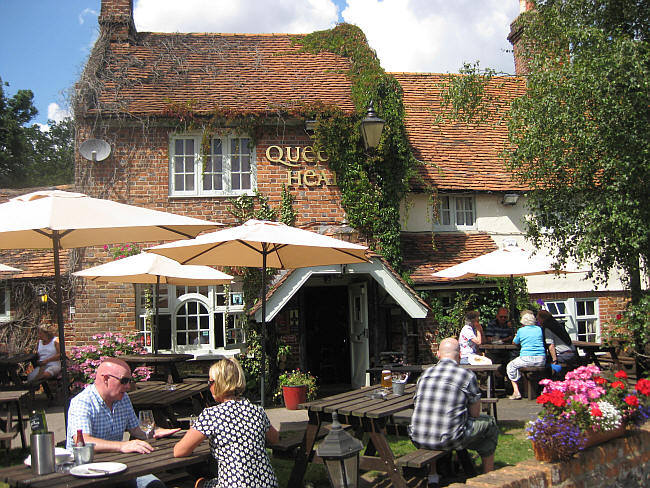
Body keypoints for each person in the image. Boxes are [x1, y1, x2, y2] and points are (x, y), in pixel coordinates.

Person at [66, 358, 180, 488]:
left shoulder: (122, 398)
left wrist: (157, 431)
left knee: (154, 485)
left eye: (130, 381)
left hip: (117, 465)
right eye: (124, 381)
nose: (128, 386)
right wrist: (122, 446)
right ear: (106, 379)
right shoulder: (82, 402)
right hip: (87, 470)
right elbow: (83, 441)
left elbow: (136, 429)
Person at [174, 357, 279, 488]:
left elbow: (179, 451)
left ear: (220, 383)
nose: (209, 386)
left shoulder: (211, 415)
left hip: (234, 484)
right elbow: (275, 438)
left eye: (210, 382)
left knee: (195, 482)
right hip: (267, 483)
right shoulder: (256, 410)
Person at [409, 337, 498, 482]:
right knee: (490, 424)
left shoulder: (424, 375)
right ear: (460, 355)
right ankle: (489, 478)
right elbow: (475, 414)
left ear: (438, 354)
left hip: (417, 437)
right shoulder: (467, 375)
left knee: (434, 420)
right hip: (450, 438)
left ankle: (433, 475)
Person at [506, 310, 546, 400]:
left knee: (510, 366)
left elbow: (514, 342)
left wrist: (517, 336)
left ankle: (516, 391)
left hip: (527, 358)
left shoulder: (521, 330)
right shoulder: (539, 329)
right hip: (541, 359)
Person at [537, 310, 577, 375]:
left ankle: (552, 380)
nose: (538, 321)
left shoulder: (548, 328)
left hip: (563, 355)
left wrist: (554, 360)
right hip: (573, 354)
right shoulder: (557, 325)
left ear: (542, 319)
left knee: (542, 363)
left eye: (538, 319)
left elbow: (551, 346)